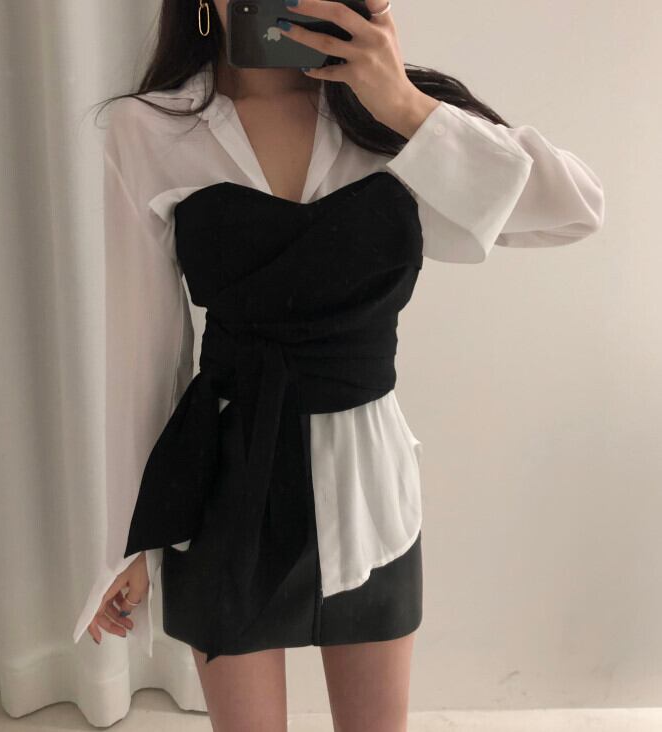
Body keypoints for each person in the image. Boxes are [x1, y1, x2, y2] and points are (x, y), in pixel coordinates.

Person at [74, 0, 605, 728]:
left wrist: (406, 106)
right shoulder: (148, 128)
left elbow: (575, 209)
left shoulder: (390, 114)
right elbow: (142, 352)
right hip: (223, 489)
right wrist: (127, 543)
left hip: (370, 495)